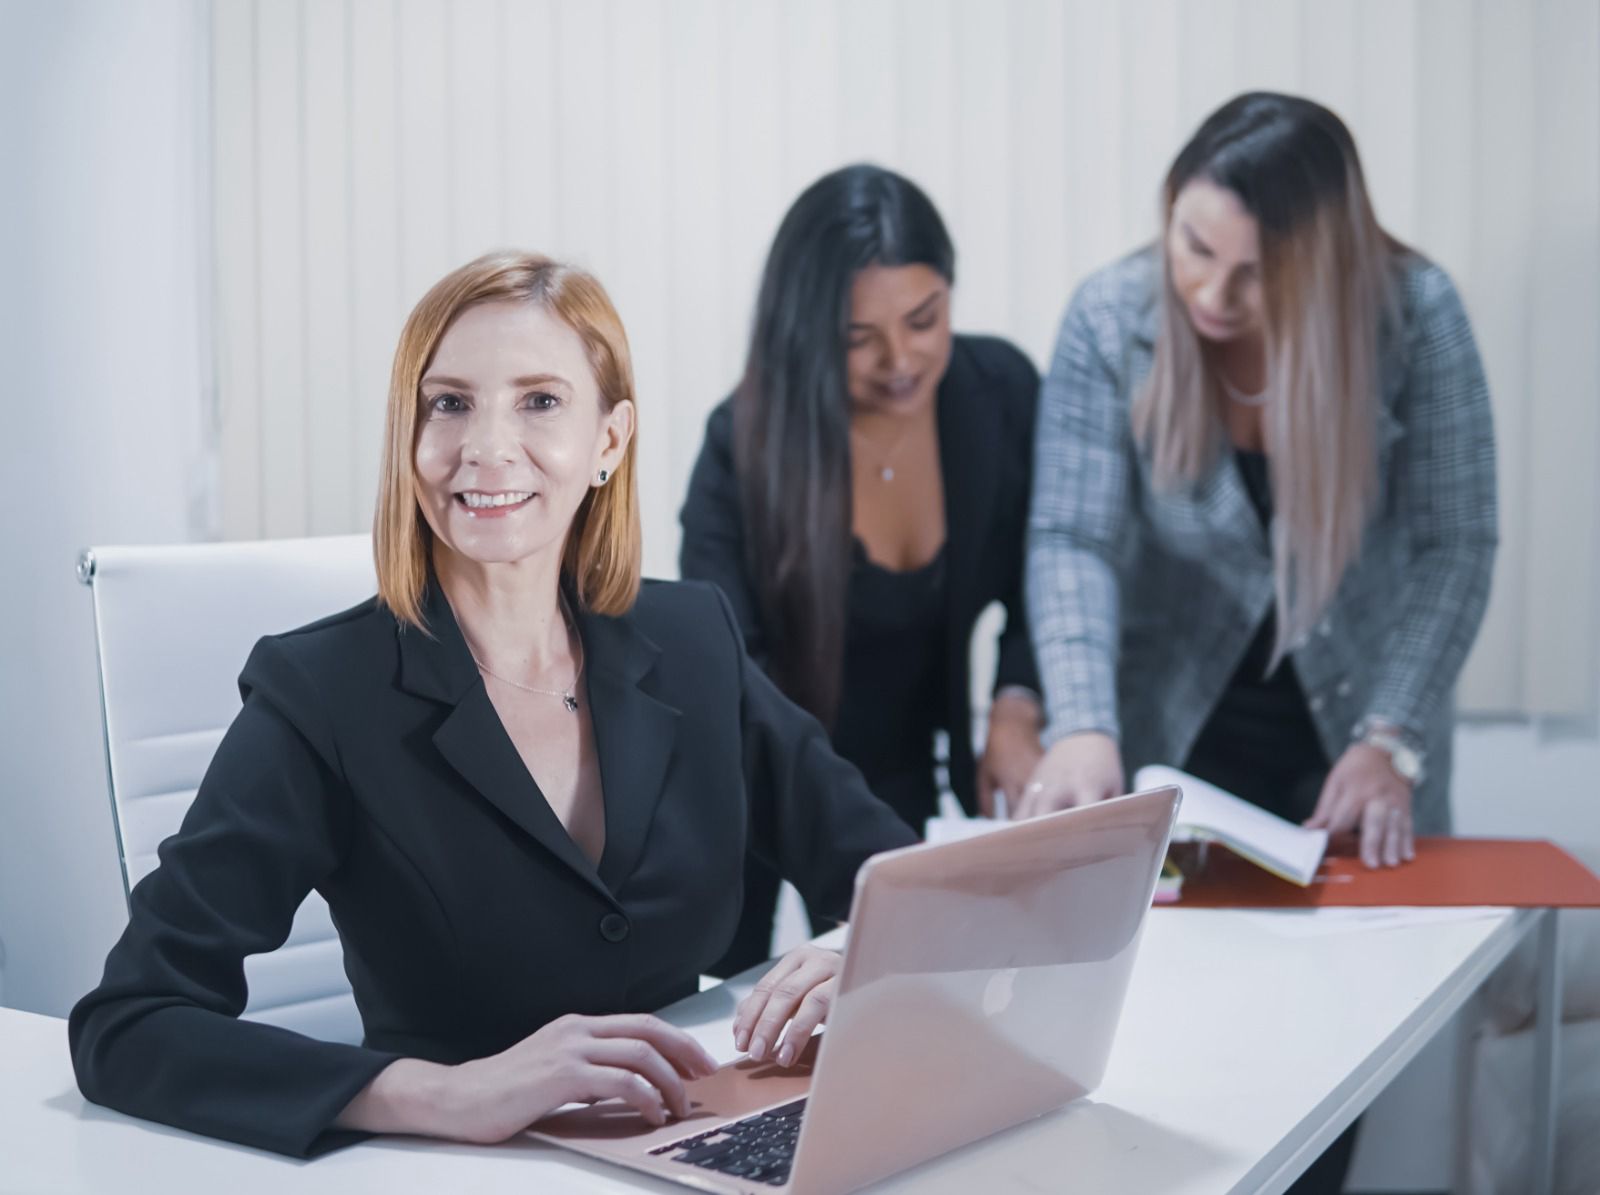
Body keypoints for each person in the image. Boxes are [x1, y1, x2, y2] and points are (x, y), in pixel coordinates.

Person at [69, 251, 917, 1159]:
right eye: (450, 403)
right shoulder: (319, 692)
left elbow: (897, 883)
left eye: (540, 401)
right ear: (410, 434)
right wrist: (449, 1093)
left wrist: (852, 957)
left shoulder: (694, 641)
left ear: (610, 441)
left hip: (695, 1140)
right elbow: (130, 1021)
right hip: (456, 1167)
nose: (486, 447)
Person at [1018, 93, 1497, 1193]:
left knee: (1323, 1077)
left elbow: (1454, 543)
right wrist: (1080, 717)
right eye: (1194, 248)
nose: (1211, 294)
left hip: (1355, 757)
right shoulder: (1108, 317)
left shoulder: (1414, 317)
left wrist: (1393, 737)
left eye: (1255, 274)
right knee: (1165, 1079)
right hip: (1169, 750)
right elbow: (1070, 535)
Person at [680, 164, 1043, 976]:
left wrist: (1017, 706)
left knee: (915, 1001)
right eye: (858, 338)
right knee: (721, 1014)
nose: (901, 359)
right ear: (807, 329)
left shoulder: (1002, 393)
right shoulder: (744, 442)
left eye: (925, 319)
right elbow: (723, 669)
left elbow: (1046, 575)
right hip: (757, 776)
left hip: (905, 773)